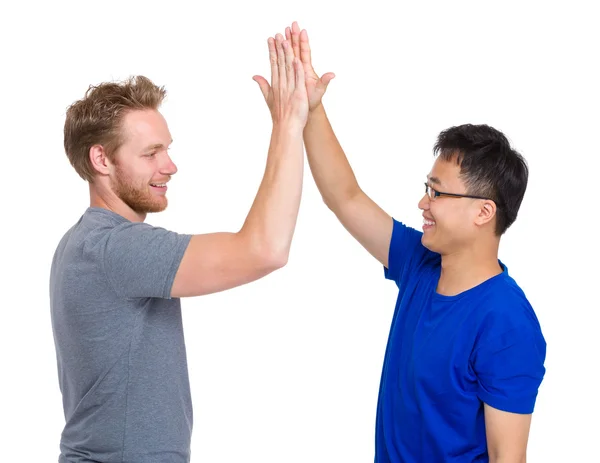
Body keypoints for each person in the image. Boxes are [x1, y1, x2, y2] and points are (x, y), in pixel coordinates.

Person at [275, 21, 547, 462]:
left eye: (438, 192)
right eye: (427, 186)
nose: (424, 201)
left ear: (484, 212)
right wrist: (312, 110)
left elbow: (507, 458)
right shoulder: (420, 263)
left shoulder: (507, 324)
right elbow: (344, 197)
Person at [50, 35, 308, 463]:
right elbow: (265, 249)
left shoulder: (81, 242)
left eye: (167, 149)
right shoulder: (115, 247)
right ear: (101, 160)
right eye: (151, 153)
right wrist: (288, 123)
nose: (169, 166)